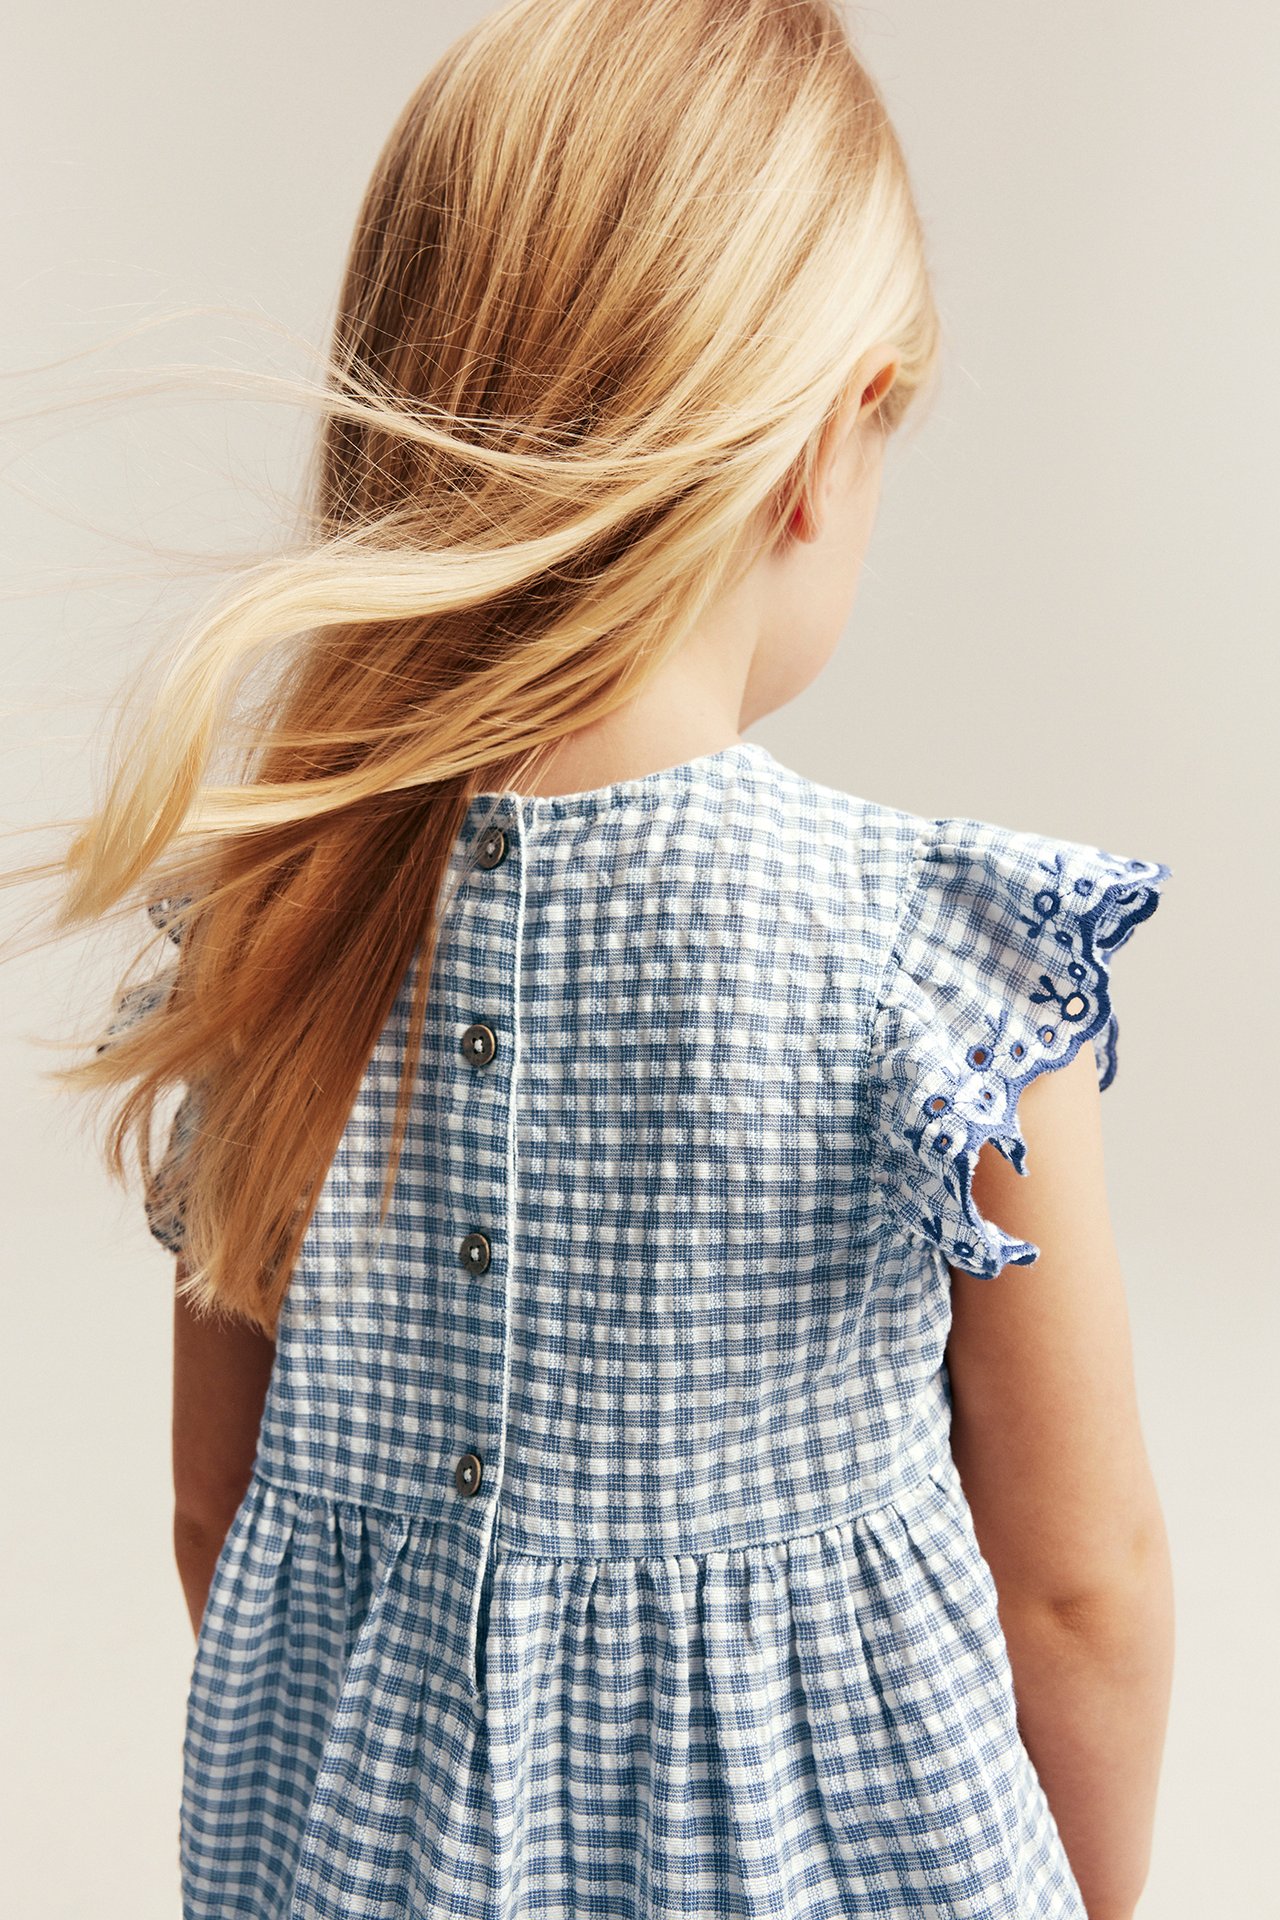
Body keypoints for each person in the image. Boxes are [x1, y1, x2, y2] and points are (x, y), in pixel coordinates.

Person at [39, 1, 1174, 1913]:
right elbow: (1082, 1584)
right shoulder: (943, 980)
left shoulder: (273, 931)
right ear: (826, 449)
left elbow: (213, 1514)